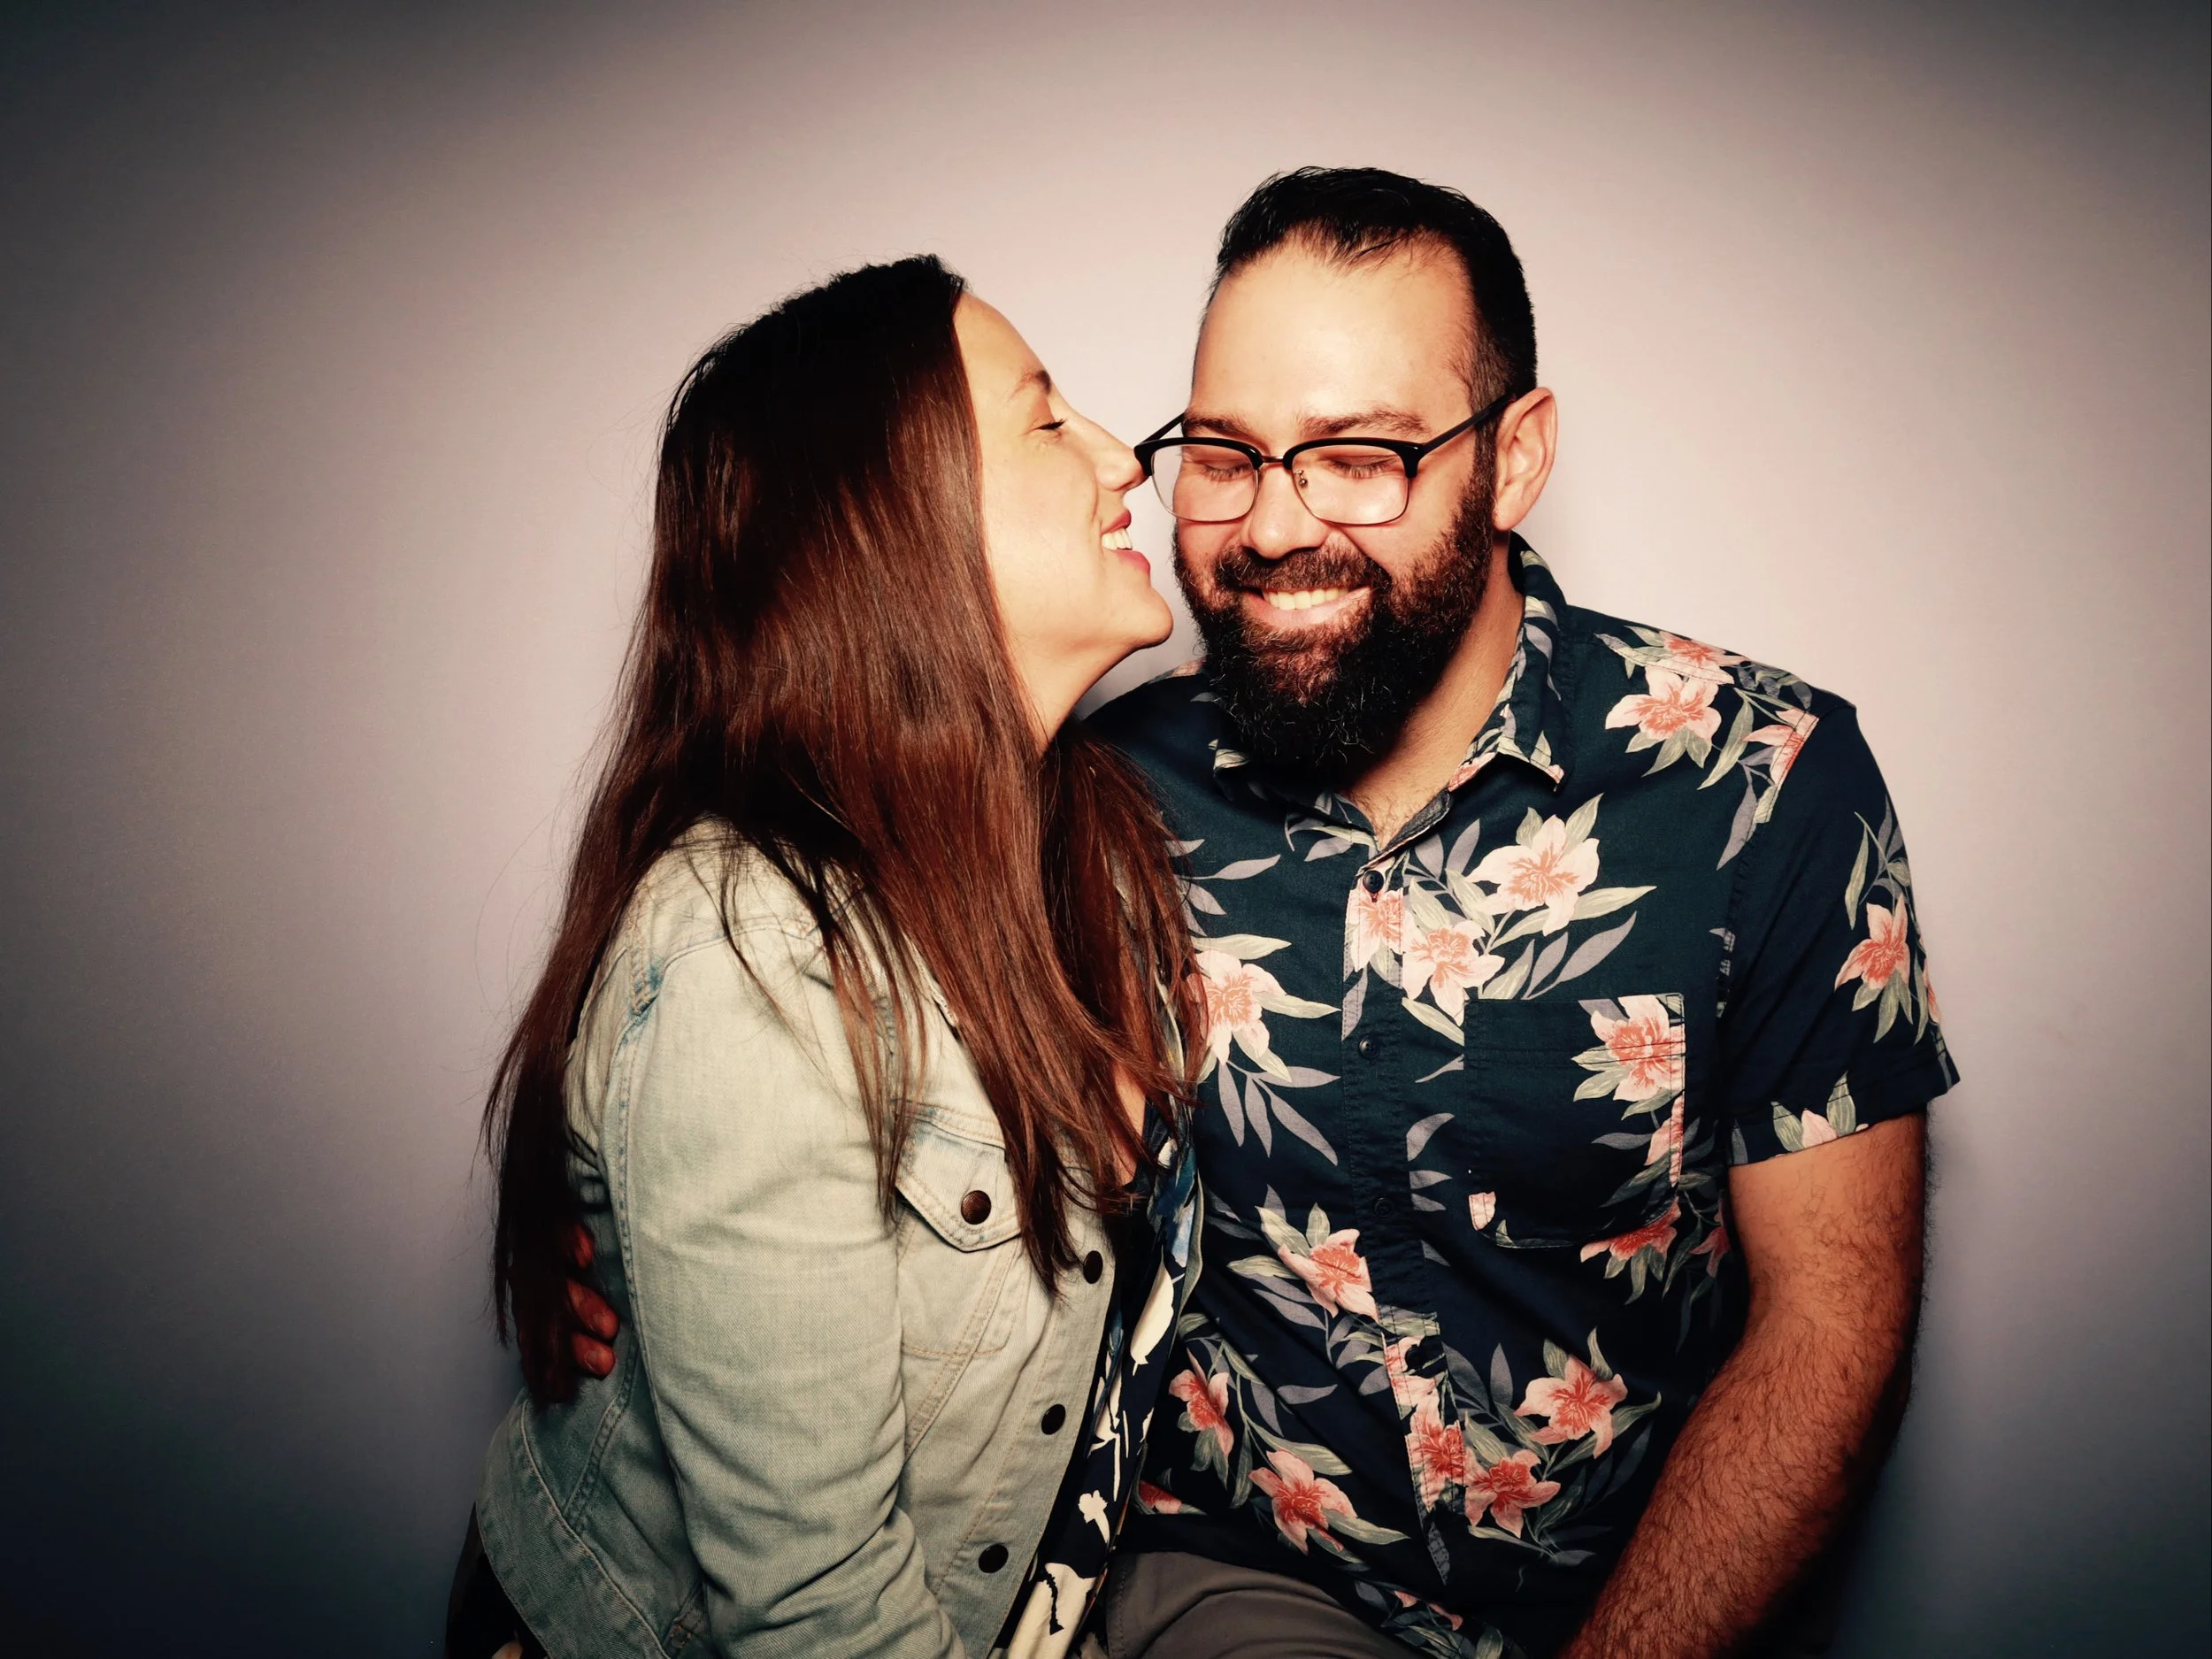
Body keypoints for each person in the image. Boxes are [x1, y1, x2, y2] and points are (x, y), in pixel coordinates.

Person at [564, 170, 1958, 1658]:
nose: (1273, 522)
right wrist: (642, 1255)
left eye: (1358, 455)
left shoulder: (1764, 783)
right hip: (1222, 1580)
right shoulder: (1096, 796)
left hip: (1633, 1596)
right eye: (1224, 453)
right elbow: (764, 1049)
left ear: (1518, 456)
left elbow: (1832, 1320)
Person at [453, 255, 1207, 1659]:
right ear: (889, 520)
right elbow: (813, 1621)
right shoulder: (753, 965)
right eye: (1047, 418)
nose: (1125, 458)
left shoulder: (1093, 841)